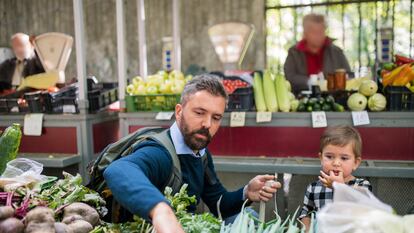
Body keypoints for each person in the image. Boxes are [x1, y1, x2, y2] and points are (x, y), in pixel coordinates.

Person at [103, 74, 281, 233]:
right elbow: (118, 169)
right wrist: (161, 211)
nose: (207, 124)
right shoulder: (159, 153)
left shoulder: (200, 152)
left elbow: (218, 202)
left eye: (216, 117)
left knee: (247, 214)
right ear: (179, 111)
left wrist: (246, 193)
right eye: (199, 113)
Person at [299, 125, 372, 231]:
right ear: (321, 158)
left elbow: (362, 211)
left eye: (344, 158)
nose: (336, 163)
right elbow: (306, 212)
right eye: (329, 157)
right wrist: (307, 229)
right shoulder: (314, 188)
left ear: (355, 163)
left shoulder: (362, 185)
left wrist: (339, 187)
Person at [284, 13, 352, 94]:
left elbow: (349, 74)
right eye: (314, 32)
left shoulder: (336, 52)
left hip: (333, 99)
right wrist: (310, 82)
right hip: (301, 99)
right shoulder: (294, 52)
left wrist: (344, 79)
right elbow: (290, 77)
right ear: (305, 33)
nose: (318, 36)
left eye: (321, 31)